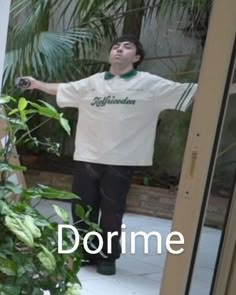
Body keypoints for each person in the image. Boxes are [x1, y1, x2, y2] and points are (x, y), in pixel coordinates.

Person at [18, 35, 197, 276]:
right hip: (88, 156)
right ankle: (85, 252)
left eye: (127, 47)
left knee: (112, 212)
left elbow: (192, 92)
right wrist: (36, 84)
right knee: (82, 208)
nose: (119, 50)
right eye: (115, 47)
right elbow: (63, 89)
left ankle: (107, 256)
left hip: (121, 161)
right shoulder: (93, 82)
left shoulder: (151, 84)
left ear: (137, 57)